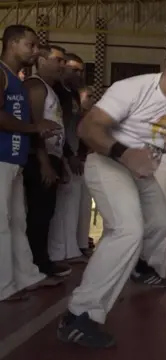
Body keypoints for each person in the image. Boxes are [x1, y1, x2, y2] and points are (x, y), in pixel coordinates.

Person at [56, 40, 166, 348]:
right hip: (109, 162)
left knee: (163, 225)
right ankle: (78, 317)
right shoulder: (134, 88)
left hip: (140, 172)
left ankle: (140, 267)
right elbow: (88, 128)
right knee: (128, 230)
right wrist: (125, 154)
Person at [0, 24, 61, 302]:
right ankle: (3, 286)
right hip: (1, 158)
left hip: (15, 159)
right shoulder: (0, 73)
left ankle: (26, 276)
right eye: (31, 45)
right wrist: (34, 128)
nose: (35, 52)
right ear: (12, 43)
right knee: (1, 223)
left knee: (17, 222)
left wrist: (32, 131)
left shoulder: (17, 78)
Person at [23, 44, 72, 278]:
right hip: (37, 158)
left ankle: (42, 261)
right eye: (58, 60)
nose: (62, 65)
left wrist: (59, 160)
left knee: (46, 212)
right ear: (41, 61)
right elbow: (34, 126)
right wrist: (44, 162)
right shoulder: (36, 86)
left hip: (52, 156)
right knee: (39, 213)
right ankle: (38, 265)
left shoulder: (52, 90)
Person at [48, 52, 92, 263]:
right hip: (63, 154)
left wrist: (81, 153)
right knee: (65, 205)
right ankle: (63, 252)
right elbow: (60, 129)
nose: (79, 74)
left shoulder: (75, 95)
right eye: (74, 69)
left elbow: (82, 127)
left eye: (81, 71)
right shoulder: (57, 93)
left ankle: (77, 245)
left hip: (76, 155)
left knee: (79, 203)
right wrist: (69, 156)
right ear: (63, 68)